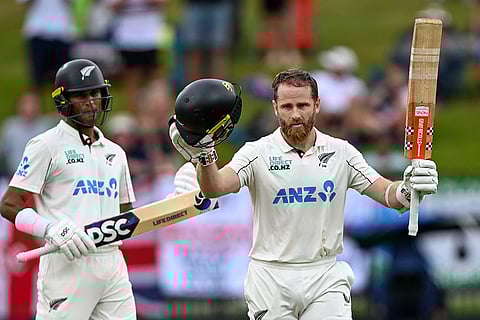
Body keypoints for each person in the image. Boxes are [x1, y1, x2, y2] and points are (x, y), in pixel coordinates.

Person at [168, 69, 439, 319]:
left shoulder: (341, 152)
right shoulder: (256, 153)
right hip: (271, 276)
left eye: (303, 105)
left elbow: (389, 195)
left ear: (317, 105)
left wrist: (409, 189)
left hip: (324, 274)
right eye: (287, 106)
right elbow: (215, 186)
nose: (295, 114)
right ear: (275, 108)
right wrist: (205, 154)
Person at [0, 59, 203, 319]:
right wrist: (50, 229)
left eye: (95, 93)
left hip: (112, 264)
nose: (90, 101)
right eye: (81, 95)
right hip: (67, 262)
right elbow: (9, 203)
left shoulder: (116, 153)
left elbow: (126, 219)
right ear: (63, 101)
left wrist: (172, 204)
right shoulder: (46, 145)